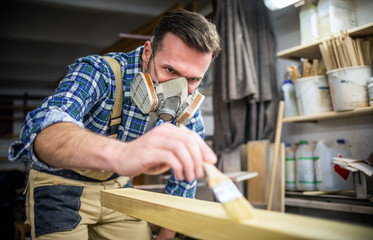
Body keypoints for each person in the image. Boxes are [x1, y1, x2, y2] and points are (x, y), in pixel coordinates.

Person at [9, 8, 221, 240]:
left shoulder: (188, 105)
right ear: (147, 53)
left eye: (193, 79)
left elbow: (185, 175)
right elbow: (44, 129)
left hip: (115, 189)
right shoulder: (100, 72)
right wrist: (122, 154)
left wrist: (166, 234)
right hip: (59, 186)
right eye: (170, 70)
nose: (179, 90)